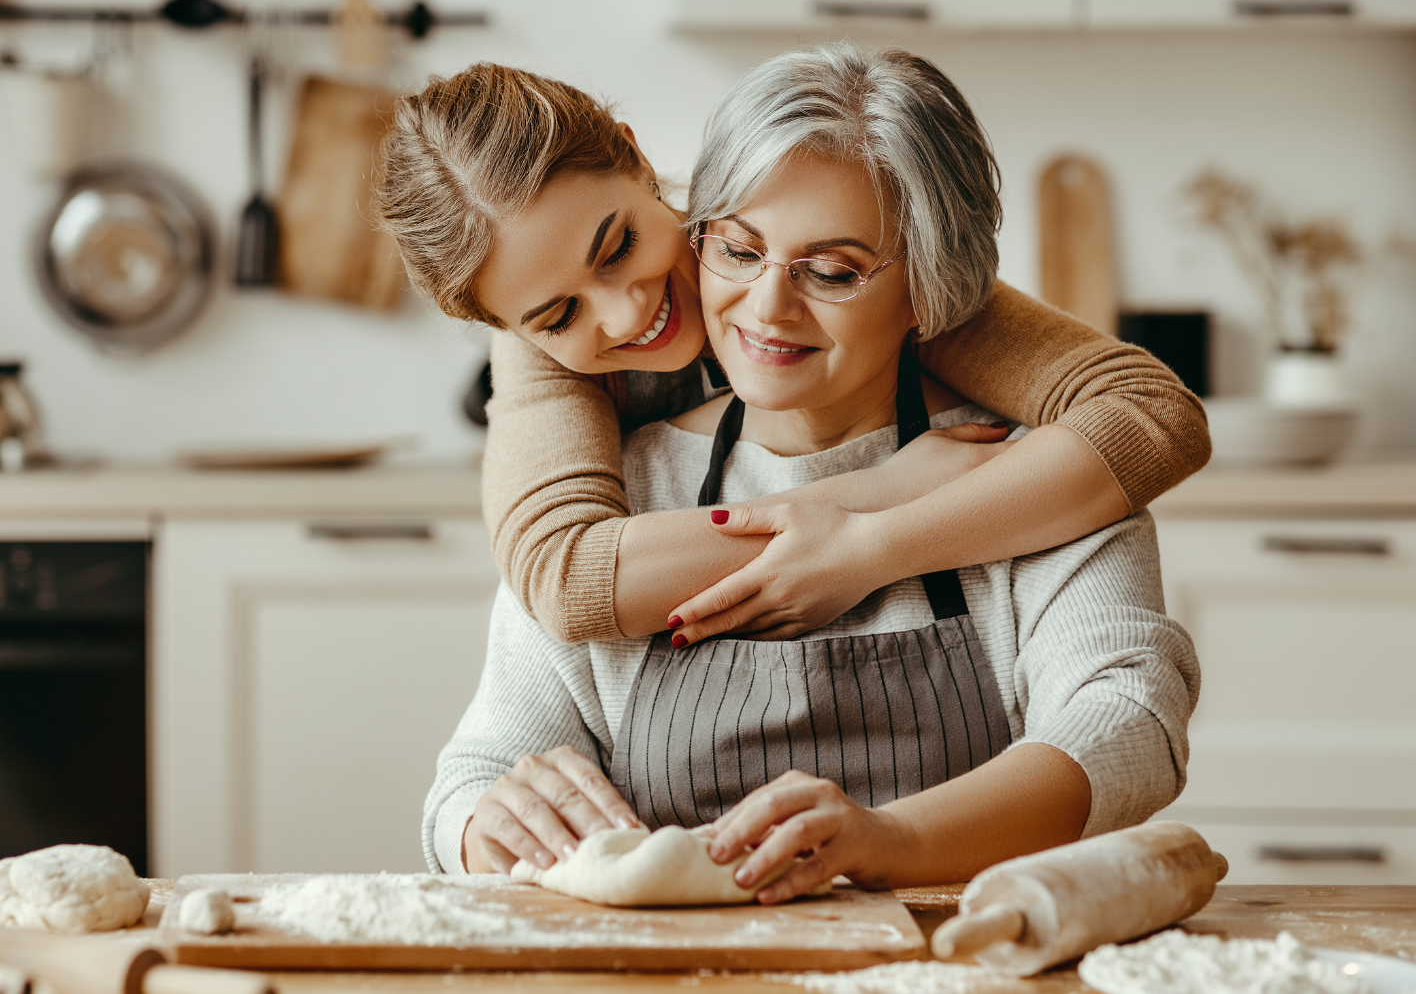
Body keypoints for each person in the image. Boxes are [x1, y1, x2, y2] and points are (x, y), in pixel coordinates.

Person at [421, 46, 1198, 898]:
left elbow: (1129, 725)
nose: (767, 307)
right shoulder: (617, 495)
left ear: (934, 292)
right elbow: (480, 765)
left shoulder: (1032, 475)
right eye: (739, 253)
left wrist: (891, 838)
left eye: (832, 271)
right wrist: (480, 821)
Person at [376, 58, 1208, 649]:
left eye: (619, 244)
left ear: (637, 159)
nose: (628, 309)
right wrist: (880, 491)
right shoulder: (535, 352)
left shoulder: (792, 246)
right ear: (509, 326)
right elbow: (567, 578)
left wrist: (882, 547)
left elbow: (1152, 414)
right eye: (559, 314)